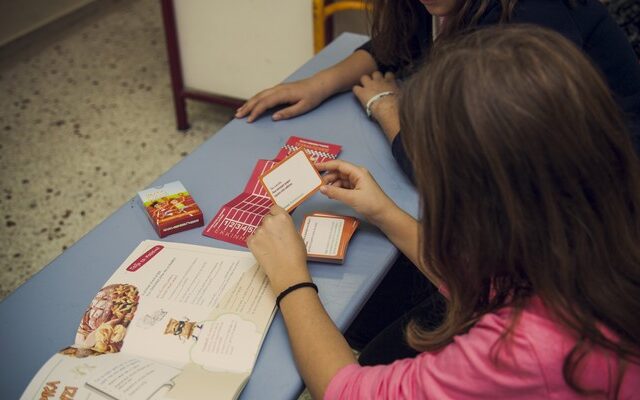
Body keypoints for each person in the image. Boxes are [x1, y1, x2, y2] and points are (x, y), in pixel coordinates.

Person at [246, 25, 640, 399]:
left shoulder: (520, 349)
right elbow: (488, 284)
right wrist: (384, 210)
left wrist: (290, 278)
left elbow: (346, 392)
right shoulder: (597, 228)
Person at [236, 0, 640, 181]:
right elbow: (398, 42)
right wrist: (319, 83)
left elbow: (443, 170)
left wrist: (385, 105)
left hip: (603, 193)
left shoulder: (529, 20)